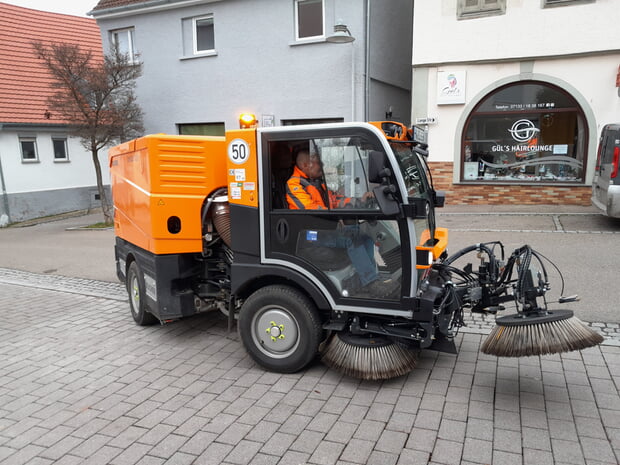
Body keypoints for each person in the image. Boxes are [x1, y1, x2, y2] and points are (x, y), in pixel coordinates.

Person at [286, 148, 397, 297]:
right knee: (352, 240)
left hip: (323, 230)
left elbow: (336, 199)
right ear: (306, 166)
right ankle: (372, 284)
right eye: (318, 162)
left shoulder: (317, 183)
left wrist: (359, 201)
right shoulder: (295, 185)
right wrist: (337, 215)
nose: (322, 164)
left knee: (365, 237)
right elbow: (311, 211)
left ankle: (365, 280)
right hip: (309, 235)